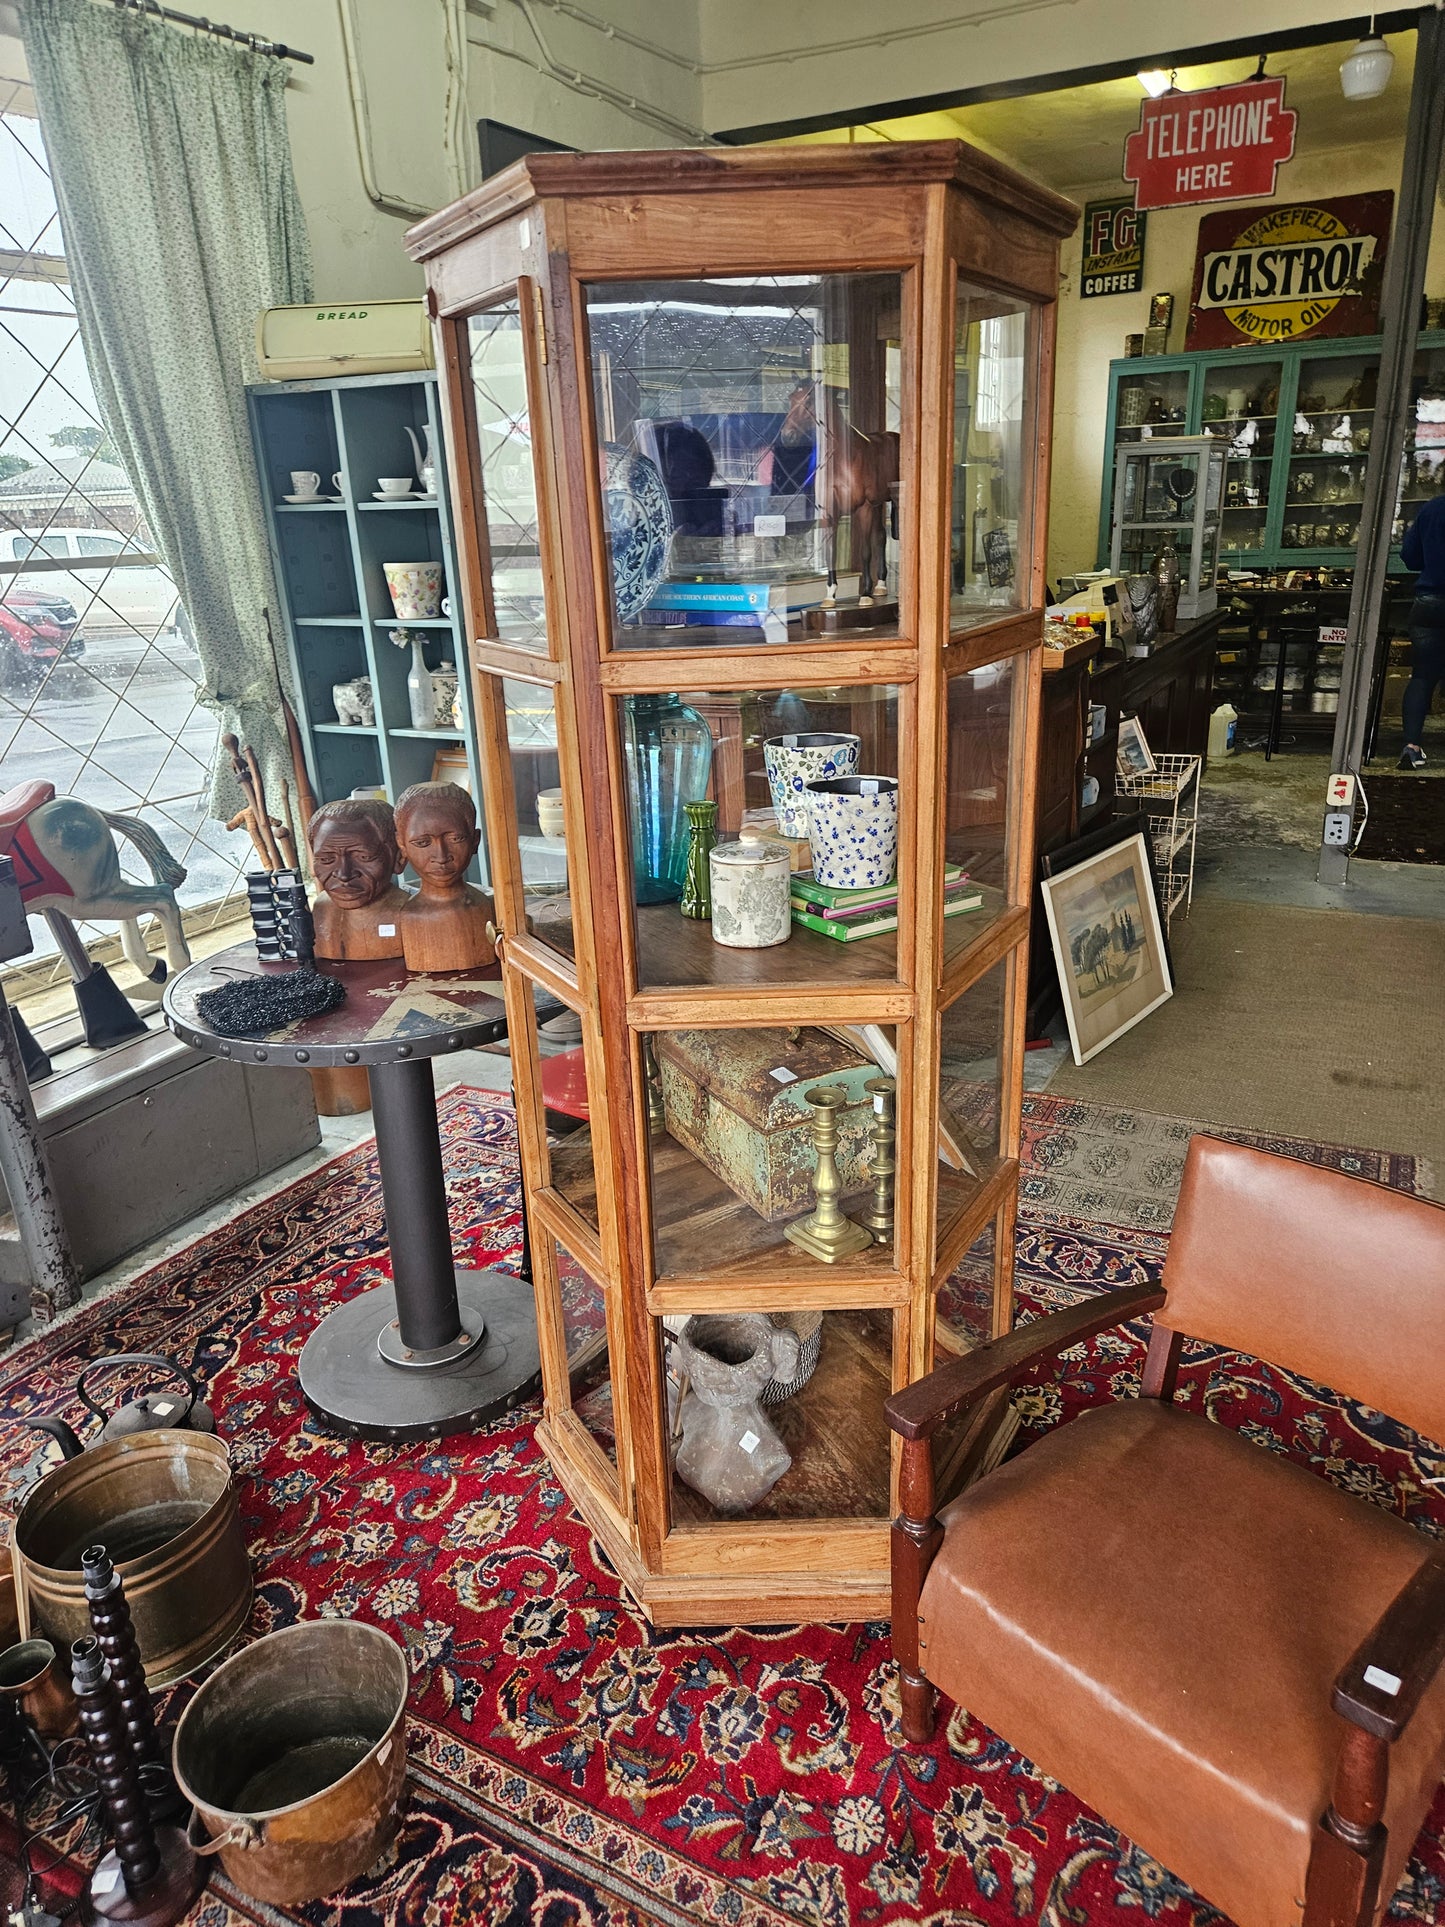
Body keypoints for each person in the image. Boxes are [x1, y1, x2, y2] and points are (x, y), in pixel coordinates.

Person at [394, 781, 496, 971]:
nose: (441, 857)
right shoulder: (407, 915)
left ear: (475, 840)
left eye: (455, 839)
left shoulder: (487, 907)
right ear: (401, 845)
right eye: (423, 842)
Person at [307, 797, 410, 960]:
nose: (344, 874)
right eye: (326, 859)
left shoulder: (411, 914)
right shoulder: (321, 909)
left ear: (399, 859)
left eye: (363, 857)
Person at [1398, 492, 1445, 768]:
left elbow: (1410, 556)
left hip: (1429, 602)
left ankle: (1411, 747)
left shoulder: (1432, 509)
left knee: (1423, 676)